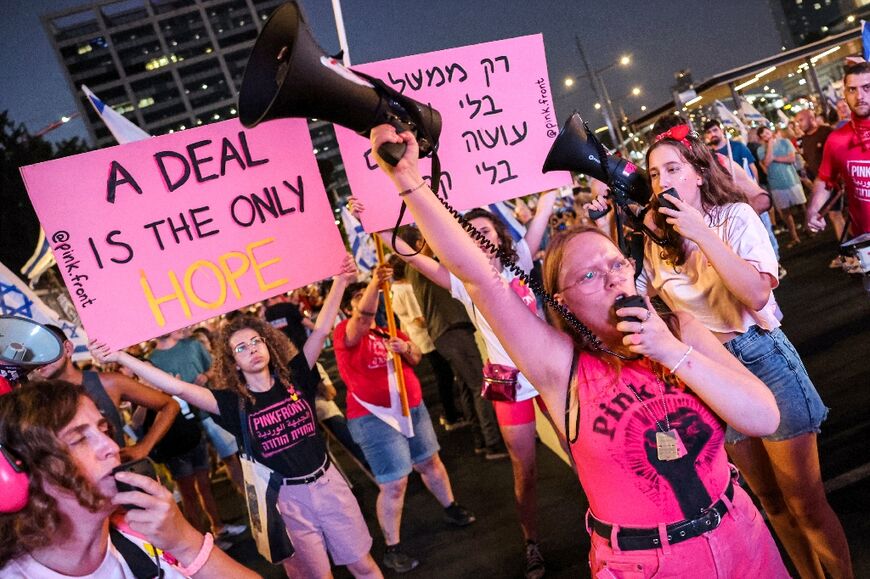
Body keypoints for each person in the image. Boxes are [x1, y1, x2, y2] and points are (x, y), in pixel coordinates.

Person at [369, 124, 788, 577]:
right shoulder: (559, 366)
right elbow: (481, 279)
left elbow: (763, 418)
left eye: (615, 263)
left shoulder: (679, 329)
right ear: (562, 301)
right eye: (587, 276)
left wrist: (670, 352)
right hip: (651, 565)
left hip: (742, 538)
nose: (610, 277)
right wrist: (409, 181)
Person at [609, 127, 849, 578]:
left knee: (806, 504)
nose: (662, 182)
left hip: (763, 359)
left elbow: (756, 295)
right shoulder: (656, 241)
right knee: (772, 504)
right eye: (655, 174)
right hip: (713, 376)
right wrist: (618, 240)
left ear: (699, 173)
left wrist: (700, 232)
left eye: (673, 169)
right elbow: (633, 303)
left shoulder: (735, 217)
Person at [90, 254, 383, 579]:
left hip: (329, 486)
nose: (252, 349)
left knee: (364, 566)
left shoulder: (296, 375)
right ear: (232, 362)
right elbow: (176, 387)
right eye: (240, 348)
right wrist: (121, 357)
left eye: (256, 341)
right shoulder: (230, 403)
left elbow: (323, 328)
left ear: (269, 345)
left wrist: (341, 280)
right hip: (285, 501)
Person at [365, 191, 558, 579]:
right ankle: (531, 541)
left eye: (485, 231)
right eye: (472, 234)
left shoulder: (518, 258)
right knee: (526, 470)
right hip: (508, 383)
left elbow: (542, 213)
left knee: (584, 450)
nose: (480, 238)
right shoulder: (461, 281)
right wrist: (375, 223)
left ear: (500, 236)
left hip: (550, 371)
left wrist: (551, 187)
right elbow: (411, 255)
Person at [0, 380, 258, 578]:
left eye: (103, 429)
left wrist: (185, 542)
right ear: (17, 474)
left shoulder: (143, 529)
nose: (110, 446)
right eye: (79, 439)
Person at [335, 269, 476, 574]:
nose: (369, 302)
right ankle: (392, 547)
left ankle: (451, 507)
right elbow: (362, 318)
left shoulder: (389, 332)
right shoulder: (347, 333)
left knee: (430, 462)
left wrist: (407, 349)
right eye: (359, 299)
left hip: (412, 409)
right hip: (375, 419)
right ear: (348, 308)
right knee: (395, 482)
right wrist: (374, 283)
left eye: (369, 295)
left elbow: (416, 358)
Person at [148, 329, 247, 540]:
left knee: (232, 459)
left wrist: (206, 375)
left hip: (210, 411)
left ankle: (249, 504)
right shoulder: (151, 360)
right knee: (195, 483)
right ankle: (211, 530)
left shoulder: (192, 345)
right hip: (183, 424)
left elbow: (215, 368)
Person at [33, 325, 179, 464]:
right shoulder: (37, 401)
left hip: (120, 478)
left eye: (45, 349)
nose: (38, 358)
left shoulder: (109, 382)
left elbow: (169, 404)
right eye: (31, 354)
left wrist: (143, 448)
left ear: (67, 348)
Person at [387, 254, 462, 431]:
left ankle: (450, 414)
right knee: (444, 377)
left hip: (419, 339)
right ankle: (451, 415)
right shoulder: (405, 289)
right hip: (427, 339)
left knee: (443, 376)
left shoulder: (394, 289)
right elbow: (419, 318)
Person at [808, 61, 870, 238]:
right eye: (852, 89)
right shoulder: (836, 140)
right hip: (866, 240)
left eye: (867, 87)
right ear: (845, 94)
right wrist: (813, 210)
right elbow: (824, 180)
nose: (860, 96)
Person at [796, 109, 847, 251]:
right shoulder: (805, 139)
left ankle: (848, 252)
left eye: (801, 120)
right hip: (821, 185)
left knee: (836, 215)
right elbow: (810, 160)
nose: (798, 124)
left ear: (811, 118)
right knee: (836, 216)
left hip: (835, 182)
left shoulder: (826, 132)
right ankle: (850, 250)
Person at [759, 125, 807, 249]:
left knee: (802, 206)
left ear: (771, 131)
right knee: (785, 212)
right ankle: (794, 237)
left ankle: (808, 228)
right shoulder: (760, 150)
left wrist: (775, 158)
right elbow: (767, 162)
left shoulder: (785, 142)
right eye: (763, 135)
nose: (766, 136)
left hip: (792, 180)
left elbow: (791, 158)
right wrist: (769, 146)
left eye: (767, 133)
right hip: (776, 185)